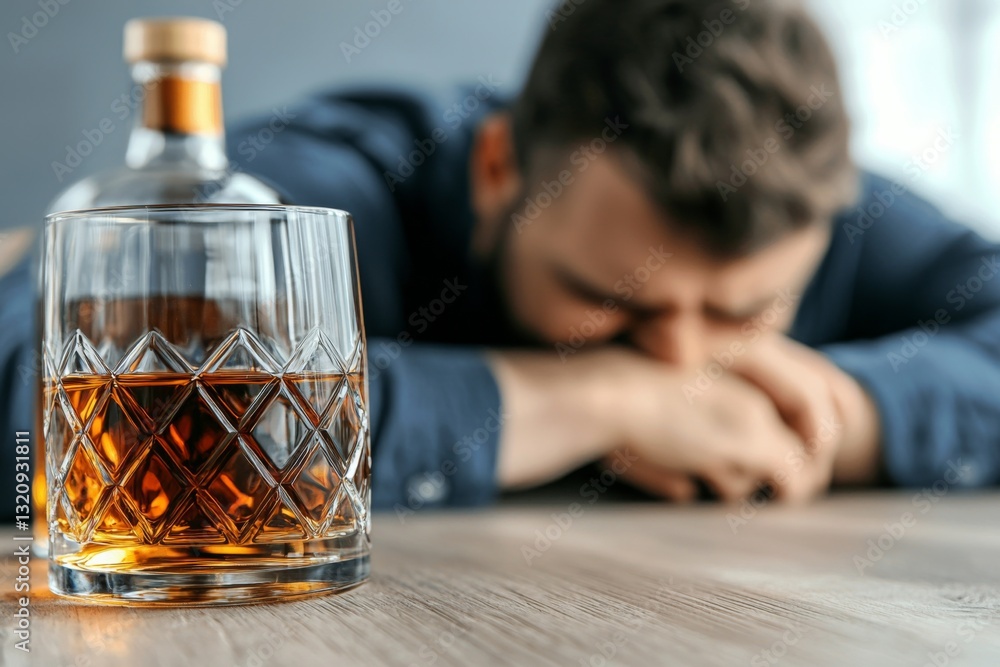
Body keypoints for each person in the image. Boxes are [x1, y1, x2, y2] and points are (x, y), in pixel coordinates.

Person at [2, 0, 998, 520]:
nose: (682, 360)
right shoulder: (328, 181)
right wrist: (599, 402)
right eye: (611, 302)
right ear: (495, 169)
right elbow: (25, 395)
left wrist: (843, 414)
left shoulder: (808, 192)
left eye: (743, 316)